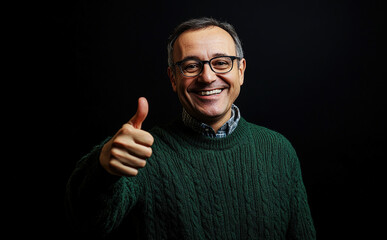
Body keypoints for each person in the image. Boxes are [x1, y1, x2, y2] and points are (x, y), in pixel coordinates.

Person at [66, 17, 316, 239]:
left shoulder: (279, 150)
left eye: (221, 62)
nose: (207, 77)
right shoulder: (142, 153)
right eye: (191, 66)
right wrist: (101, 169)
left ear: (240, 71)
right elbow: (90, 224)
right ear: (173, 78)